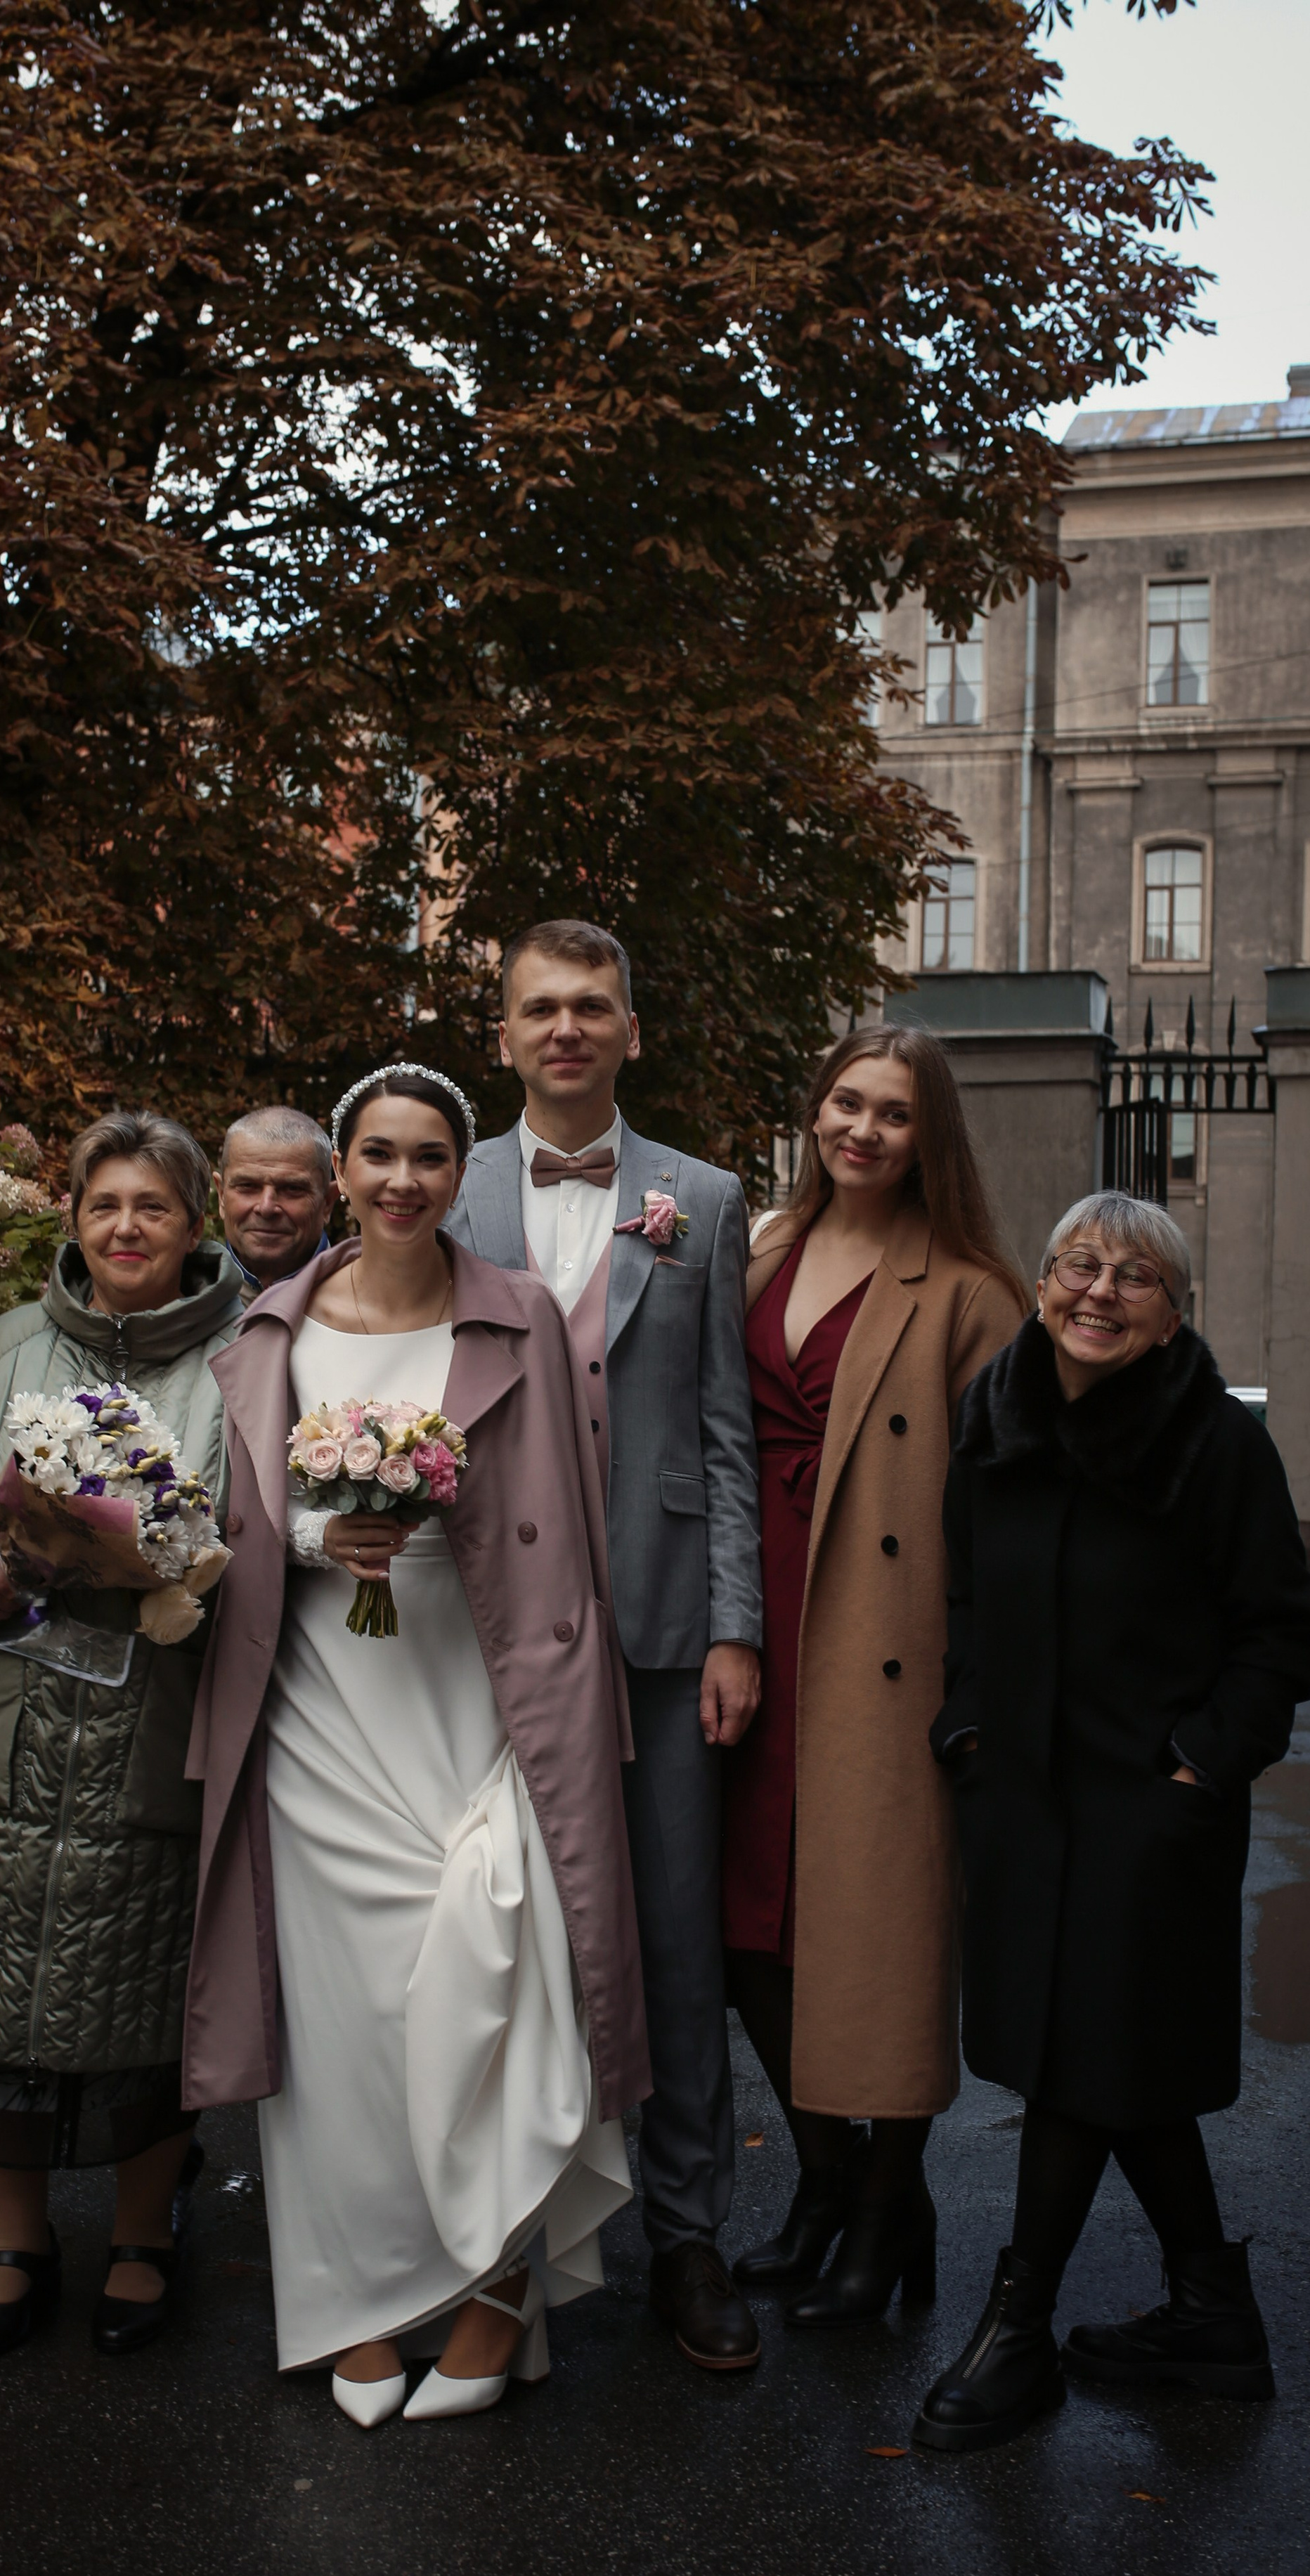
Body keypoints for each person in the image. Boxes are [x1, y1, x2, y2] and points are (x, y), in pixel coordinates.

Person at [180, 1064, 649, 2426]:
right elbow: (240, 1533)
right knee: (337, 2023)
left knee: (485, 1974)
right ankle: (355, 2300)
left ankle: (497, 2291)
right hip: (319, 1708)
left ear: (460, 1172)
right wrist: (328, 1537)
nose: (400, 1180)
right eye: (375, 1155)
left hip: (477, 1694)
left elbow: (570, 1522)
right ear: (339, 1171)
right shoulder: (270, 1333)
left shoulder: (522, 1321)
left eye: (428, 1157)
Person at [912, 1193, 1310, 2454]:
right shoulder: (995, 1418)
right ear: (1041, 1286)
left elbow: (1282, 1628)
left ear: (1174, 1311)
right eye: (1078, 1266)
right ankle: (1212, 2310)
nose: (1100, 1291)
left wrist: (1205, 1764)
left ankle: (1017, 2327)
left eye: (1135, 1276)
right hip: (1025, 1805)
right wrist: (966, 1730)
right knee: (1105, 2059)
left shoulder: (1213, 1443)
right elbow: (969, 1598)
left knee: (1083, 2059)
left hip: (1150, 1810)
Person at [0, 1111, 245, 2364]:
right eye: (106, 1206)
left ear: (196, 1224)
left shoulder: (248, 1362)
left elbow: (273, 1525)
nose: (127, 1227)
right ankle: (14, 2240)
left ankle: (145, 2235)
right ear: (73, 1219)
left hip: (159, 1733)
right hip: (7, 1744)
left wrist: (180, 1567)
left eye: (154, 1206)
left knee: (149, 2006)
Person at [446, 920, 765, 2371]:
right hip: (491, 1638)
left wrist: (732, 1631)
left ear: (630, 1032)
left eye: (591, 1008)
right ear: (501, 1035)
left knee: (675, 1944)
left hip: (655, 1624)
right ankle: (498, 2237)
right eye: (538, 1009)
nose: (565, 1029)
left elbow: (723, 1427)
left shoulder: (699, 1198)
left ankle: (686, 2240)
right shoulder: (441, 1190)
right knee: (504, 1938)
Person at [724, 1025, 1026, 2324]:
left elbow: (1006, 1520)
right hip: (751, 1614)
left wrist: (980, 1687)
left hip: (886, 1642)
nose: (862, 1130)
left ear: (928, 1135)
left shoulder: (968, 1292)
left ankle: (890, 2199)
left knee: (883, 1936)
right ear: (814, 1109)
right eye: (845, 1101)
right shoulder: (759, 1254)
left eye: (893, 1113)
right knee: (750, 1926)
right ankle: (827, 2182)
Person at [215, 1104, 335, 1299]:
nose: (266, 1207)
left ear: (327, 1202)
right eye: (247, 1186)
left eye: (292, 1189)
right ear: (221, 1195)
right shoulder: (179, 1301)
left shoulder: (373, 1307)